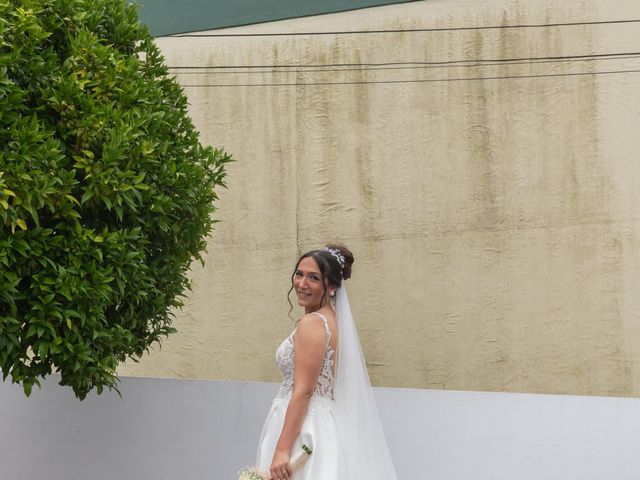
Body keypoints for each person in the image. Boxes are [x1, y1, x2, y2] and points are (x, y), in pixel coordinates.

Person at [255, 244, 398, 480]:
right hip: (323, 422)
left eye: (313, 278)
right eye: (299, 274)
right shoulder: (334, 322)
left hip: (304, 427)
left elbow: (304, 390)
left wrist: (282, 449)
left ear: (331, 287)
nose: (301, 284)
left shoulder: (313, 323)